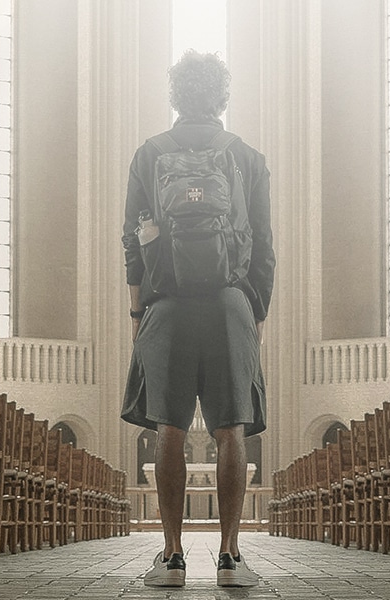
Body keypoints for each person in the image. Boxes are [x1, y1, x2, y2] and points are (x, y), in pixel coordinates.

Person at [120, 49, 275, 588]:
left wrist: (139, 309)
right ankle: (230, 559)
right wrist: (255, 311)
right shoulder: (248, 157)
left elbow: (132, 242)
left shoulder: (148, 154)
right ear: (222, 97)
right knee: (232, 430)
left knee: (169, 428)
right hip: (230, 302)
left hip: (165, 303)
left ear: (175, 96)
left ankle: (171, 558)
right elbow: (265, 247)